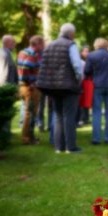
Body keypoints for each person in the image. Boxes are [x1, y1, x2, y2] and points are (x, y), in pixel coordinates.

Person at [36, 23, 83, 154]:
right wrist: (79, 79)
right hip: (68, 86)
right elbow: (77, 65)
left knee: (57, 116)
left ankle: (58, 147)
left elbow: (44, 65)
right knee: (69, 116)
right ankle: (70, 147)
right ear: (71, 34)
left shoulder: (49, 45)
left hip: (52, 86)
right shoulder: (71, 45)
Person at [84, 38, 108, 145]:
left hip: (97, 85)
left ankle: (96, 138)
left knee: (96, 112)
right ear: (106, 45)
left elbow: (87, 71)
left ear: (96, 45)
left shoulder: (91, 56)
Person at [17, 35, 45, 145]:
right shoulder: (31, 54)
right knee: (31, 113)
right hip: (30, 88)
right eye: (42, 44)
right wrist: (31, 83)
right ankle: (27, 139)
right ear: (37, 44)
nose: (43, 46)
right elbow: (25, 69)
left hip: (25, 86)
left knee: (29, 113)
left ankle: (28, 137)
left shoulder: (22, 52)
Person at [77, 45, 92, 125]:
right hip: (82, 82)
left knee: (87, 100)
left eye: (88, 51)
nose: (87, 53)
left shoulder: (89, 60)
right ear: (81, 52)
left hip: (87, 82)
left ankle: (86, 118)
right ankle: (81, 118)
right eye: (85, 51)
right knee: (81, 101)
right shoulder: (81, 61)